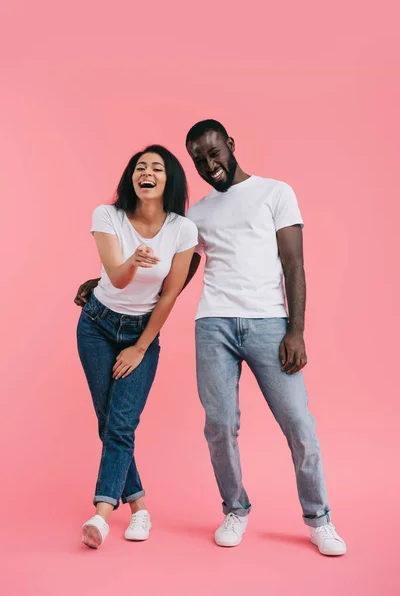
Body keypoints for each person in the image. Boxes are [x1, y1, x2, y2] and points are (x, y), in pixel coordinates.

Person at [75, 121, 346, 556]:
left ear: (230, 145)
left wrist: (296, 329)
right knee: (219, 427)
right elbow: (174, 267)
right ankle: (235, 509)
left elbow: (294, 263)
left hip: (269, 323)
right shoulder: (194, 215)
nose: (209, 164)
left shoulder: (276, 192)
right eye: (199, 159)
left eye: (213, 153)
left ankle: (320, 519)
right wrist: (102, 282)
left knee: (298, 423)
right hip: (213, 325)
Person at [76, 145, 197, 549]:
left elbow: (169, 295)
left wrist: (141, 348)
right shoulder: (106, 216)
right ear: (132, 178)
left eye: (156, 168)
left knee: (120, 423)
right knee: (109, 420)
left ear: (169, 180)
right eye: (139, 167)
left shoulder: (183, 229)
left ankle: (102, 514)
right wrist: (134, 259)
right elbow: (116, 276)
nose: (146, 172)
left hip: (141, 333)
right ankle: (139, 508)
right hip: (97, 325)